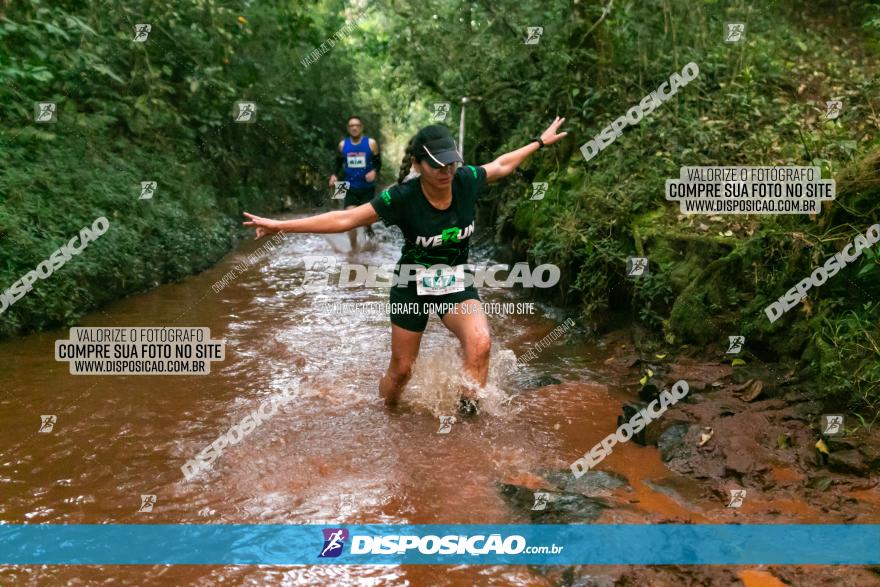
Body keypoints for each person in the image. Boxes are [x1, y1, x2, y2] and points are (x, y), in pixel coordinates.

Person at [244, 117, 567, 414]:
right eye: (437, 165)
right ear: (417, 164)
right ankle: (387, 414)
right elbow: (346, 218)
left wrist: (539, 142)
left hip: (455, 281)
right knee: (402, 370)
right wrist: (282, 226)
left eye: (451, 163)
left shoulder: (466, 180)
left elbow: (502, 164)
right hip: (411, 284)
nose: (446, 172)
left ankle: (466, 426)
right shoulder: (400, 198)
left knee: (480, 345)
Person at [329, 115, 381, 252]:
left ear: (361, 127)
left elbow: (378, 162)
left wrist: (374, 171)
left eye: (357, 125)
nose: (354, 128)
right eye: (351, 126)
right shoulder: (343, 145)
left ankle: (372, 245)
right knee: (349, 218)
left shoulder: (371, 143)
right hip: (349, 187)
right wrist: (334, 175)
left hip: (367, 188)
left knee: (366, 221)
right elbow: (338, 164)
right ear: (348, 128)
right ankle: (353, 248)